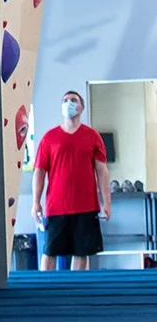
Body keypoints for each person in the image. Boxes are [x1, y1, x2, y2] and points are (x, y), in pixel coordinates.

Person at [33, 90, 111, 271]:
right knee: (49, 251)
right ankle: (45, 292)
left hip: (86, 206)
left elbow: (102, 171)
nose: (69, 103)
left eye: (73, 100)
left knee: (81, 252)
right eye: (65, 100)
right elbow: (39, 172)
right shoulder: (49, 139)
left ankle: (78, 293)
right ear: (61, 107)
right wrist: (36, 203)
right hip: (56, 207)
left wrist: (106, 202)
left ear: (81, 107)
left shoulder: (93, 137)